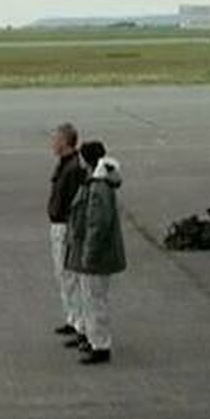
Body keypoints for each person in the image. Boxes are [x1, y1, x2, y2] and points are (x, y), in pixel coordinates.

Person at [63, 141, 126, 365]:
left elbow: (96, 225)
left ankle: (100, 345)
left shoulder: (98, 188)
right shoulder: (95, 183)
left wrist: (88, 255)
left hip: (95, 256)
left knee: (94, 300)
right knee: (91, 299)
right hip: (91, 254)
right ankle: (93, 339)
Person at [47, 123, 85, 341]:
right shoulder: (65, 165)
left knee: (70, 275)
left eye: (56, 139)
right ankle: (72, 317)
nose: (52, 143)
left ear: (64, 141)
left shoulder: (72, 169)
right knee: (63, 275)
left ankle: (79, 323)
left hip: (65, 225)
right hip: (57, 223)